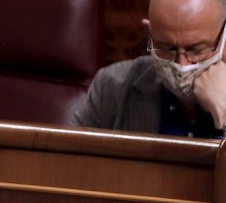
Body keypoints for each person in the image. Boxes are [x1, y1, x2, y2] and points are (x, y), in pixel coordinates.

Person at [72, 0, 226, 138]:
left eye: (196, 50)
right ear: (149, 36)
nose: (182, 65)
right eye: (167, 48)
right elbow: (67, 163)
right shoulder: (111, 88)